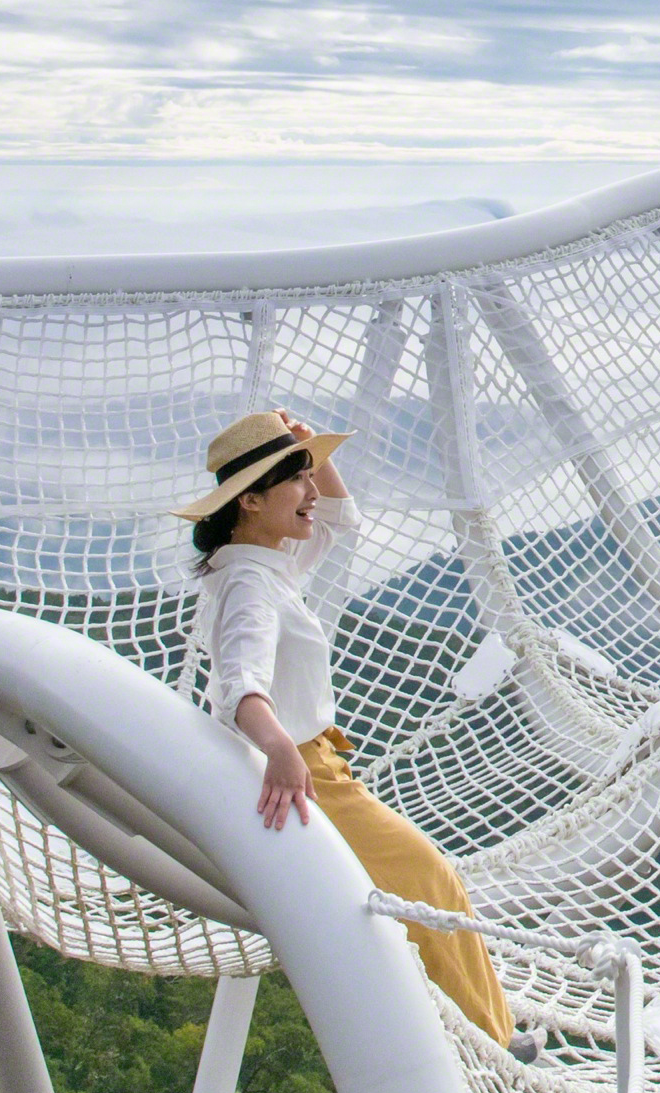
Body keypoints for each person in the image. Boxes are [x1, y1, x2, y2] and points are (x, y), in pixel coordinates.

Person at [179, 408, 515, 1041]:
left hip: (318, 765)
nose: (310, 492)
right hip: (305, 774)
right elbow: (241, 687)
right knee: (427, 881)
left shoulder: (262, 565)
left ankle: (489, 1028)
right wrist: (280, 748)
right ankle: (492, 1042)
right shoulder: (250, 584)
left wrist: (312, 453)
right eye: (295, 481)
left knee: (425, 884)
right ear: (250, 501)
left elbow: (340, 519)